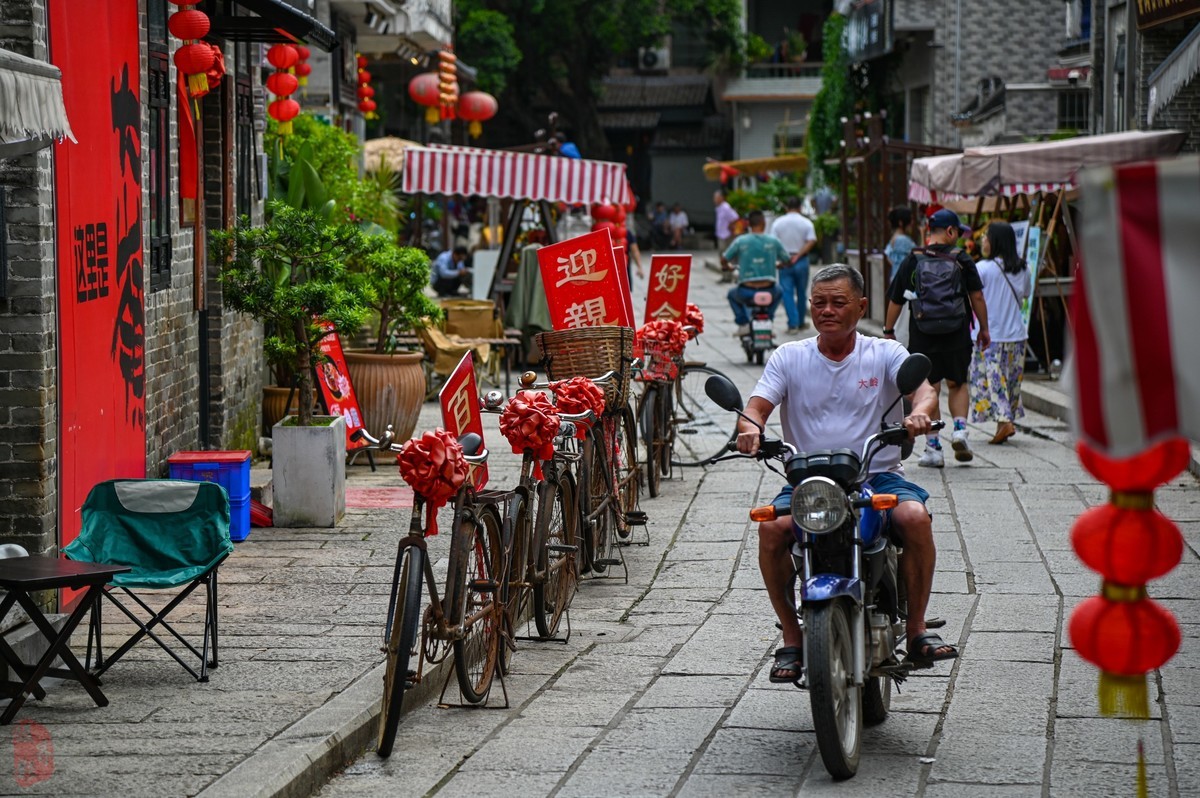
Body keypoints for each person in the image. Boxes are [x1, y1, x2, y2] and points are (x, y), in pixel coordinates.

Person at [736, 264, 956, 682]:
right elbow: (756, 407)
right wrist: (749, 429)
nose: (827, 310)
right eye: (819, 302)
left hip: (877, 476)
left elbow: (924, 391)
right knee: (771, 529)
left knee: (914, 518)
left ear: (861, 306)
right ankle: (791, 636)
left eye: (838, 302)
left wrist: (920, 414)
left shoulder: (885, 353)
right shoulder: (789, 356)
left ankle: (916, 629)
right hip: (809, 481)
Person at [883, 209, 990, 467]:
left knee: (928, 388)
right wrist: (984, 329)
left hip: (923, 333)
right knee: (958, 383)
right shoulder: (962, 258)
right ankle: (960, 431)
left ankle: (933, 448)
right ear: (951, 231)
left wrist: (888, 330)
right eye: (958, 232)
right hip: (956, 331)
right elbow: (976, 296)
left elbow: (896, 298)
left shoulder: (914, 259)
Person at [969, 221, 1029, 445]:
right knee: (1010, 382)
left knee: (992, 381)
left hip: (990, 336)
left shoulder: (983, 268)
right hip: (1017, 336)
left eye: (986, 236)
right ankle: (1003, 423)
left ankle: (1004, 421)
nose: (983, 240)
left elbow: (975, 297)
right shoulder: (1023, 268)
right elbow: (1025, 295)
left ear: (995, 242)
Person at [721, 210, 788, 336]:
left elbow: (724, 259)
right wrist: (780, 264)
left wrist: (727, 267)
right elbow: (787, 260)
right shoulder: (773, 241)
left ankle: (743, 324)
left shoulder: (741, 241)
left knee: (731, 295)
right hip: (770, 290)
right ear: (764, 223)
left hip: (746, 291)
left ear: (749, 224)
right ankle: (769, 320)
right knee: (780, 291)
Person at [769, 196, 818, 334]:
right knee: (802, 292)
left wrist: (781, 257)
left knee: (787, 293)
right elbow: (811, 240)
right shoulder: (806, 222)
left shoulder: (778, 223)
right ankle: (801, 322)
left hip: (784, 261)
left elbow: (773, 243)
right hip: (801, 260)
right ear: (800, 207)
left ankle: (793, 323)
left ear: (787, 207)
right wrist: (799, 255)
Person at [713, 190, 739, 282]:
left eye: (716, 197)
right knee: (722, 256)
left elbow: (735, 217)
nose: (714, 200)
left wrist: (730, 226)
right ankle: (725, 276)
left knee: (726, 256)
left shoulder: (726, 207)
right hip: (721, 234)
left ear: (721, 198)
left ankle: (728, 276)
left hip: (726, 235)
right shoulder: (719, 208)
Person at [884, 206, 917, 279]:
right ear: (901, 223)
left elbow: (889, 258)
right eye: (910, 219)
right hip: (903, 280)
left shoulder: (894, 238)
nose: (912, 222)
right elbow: (918, 255)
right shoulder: (902, 240)